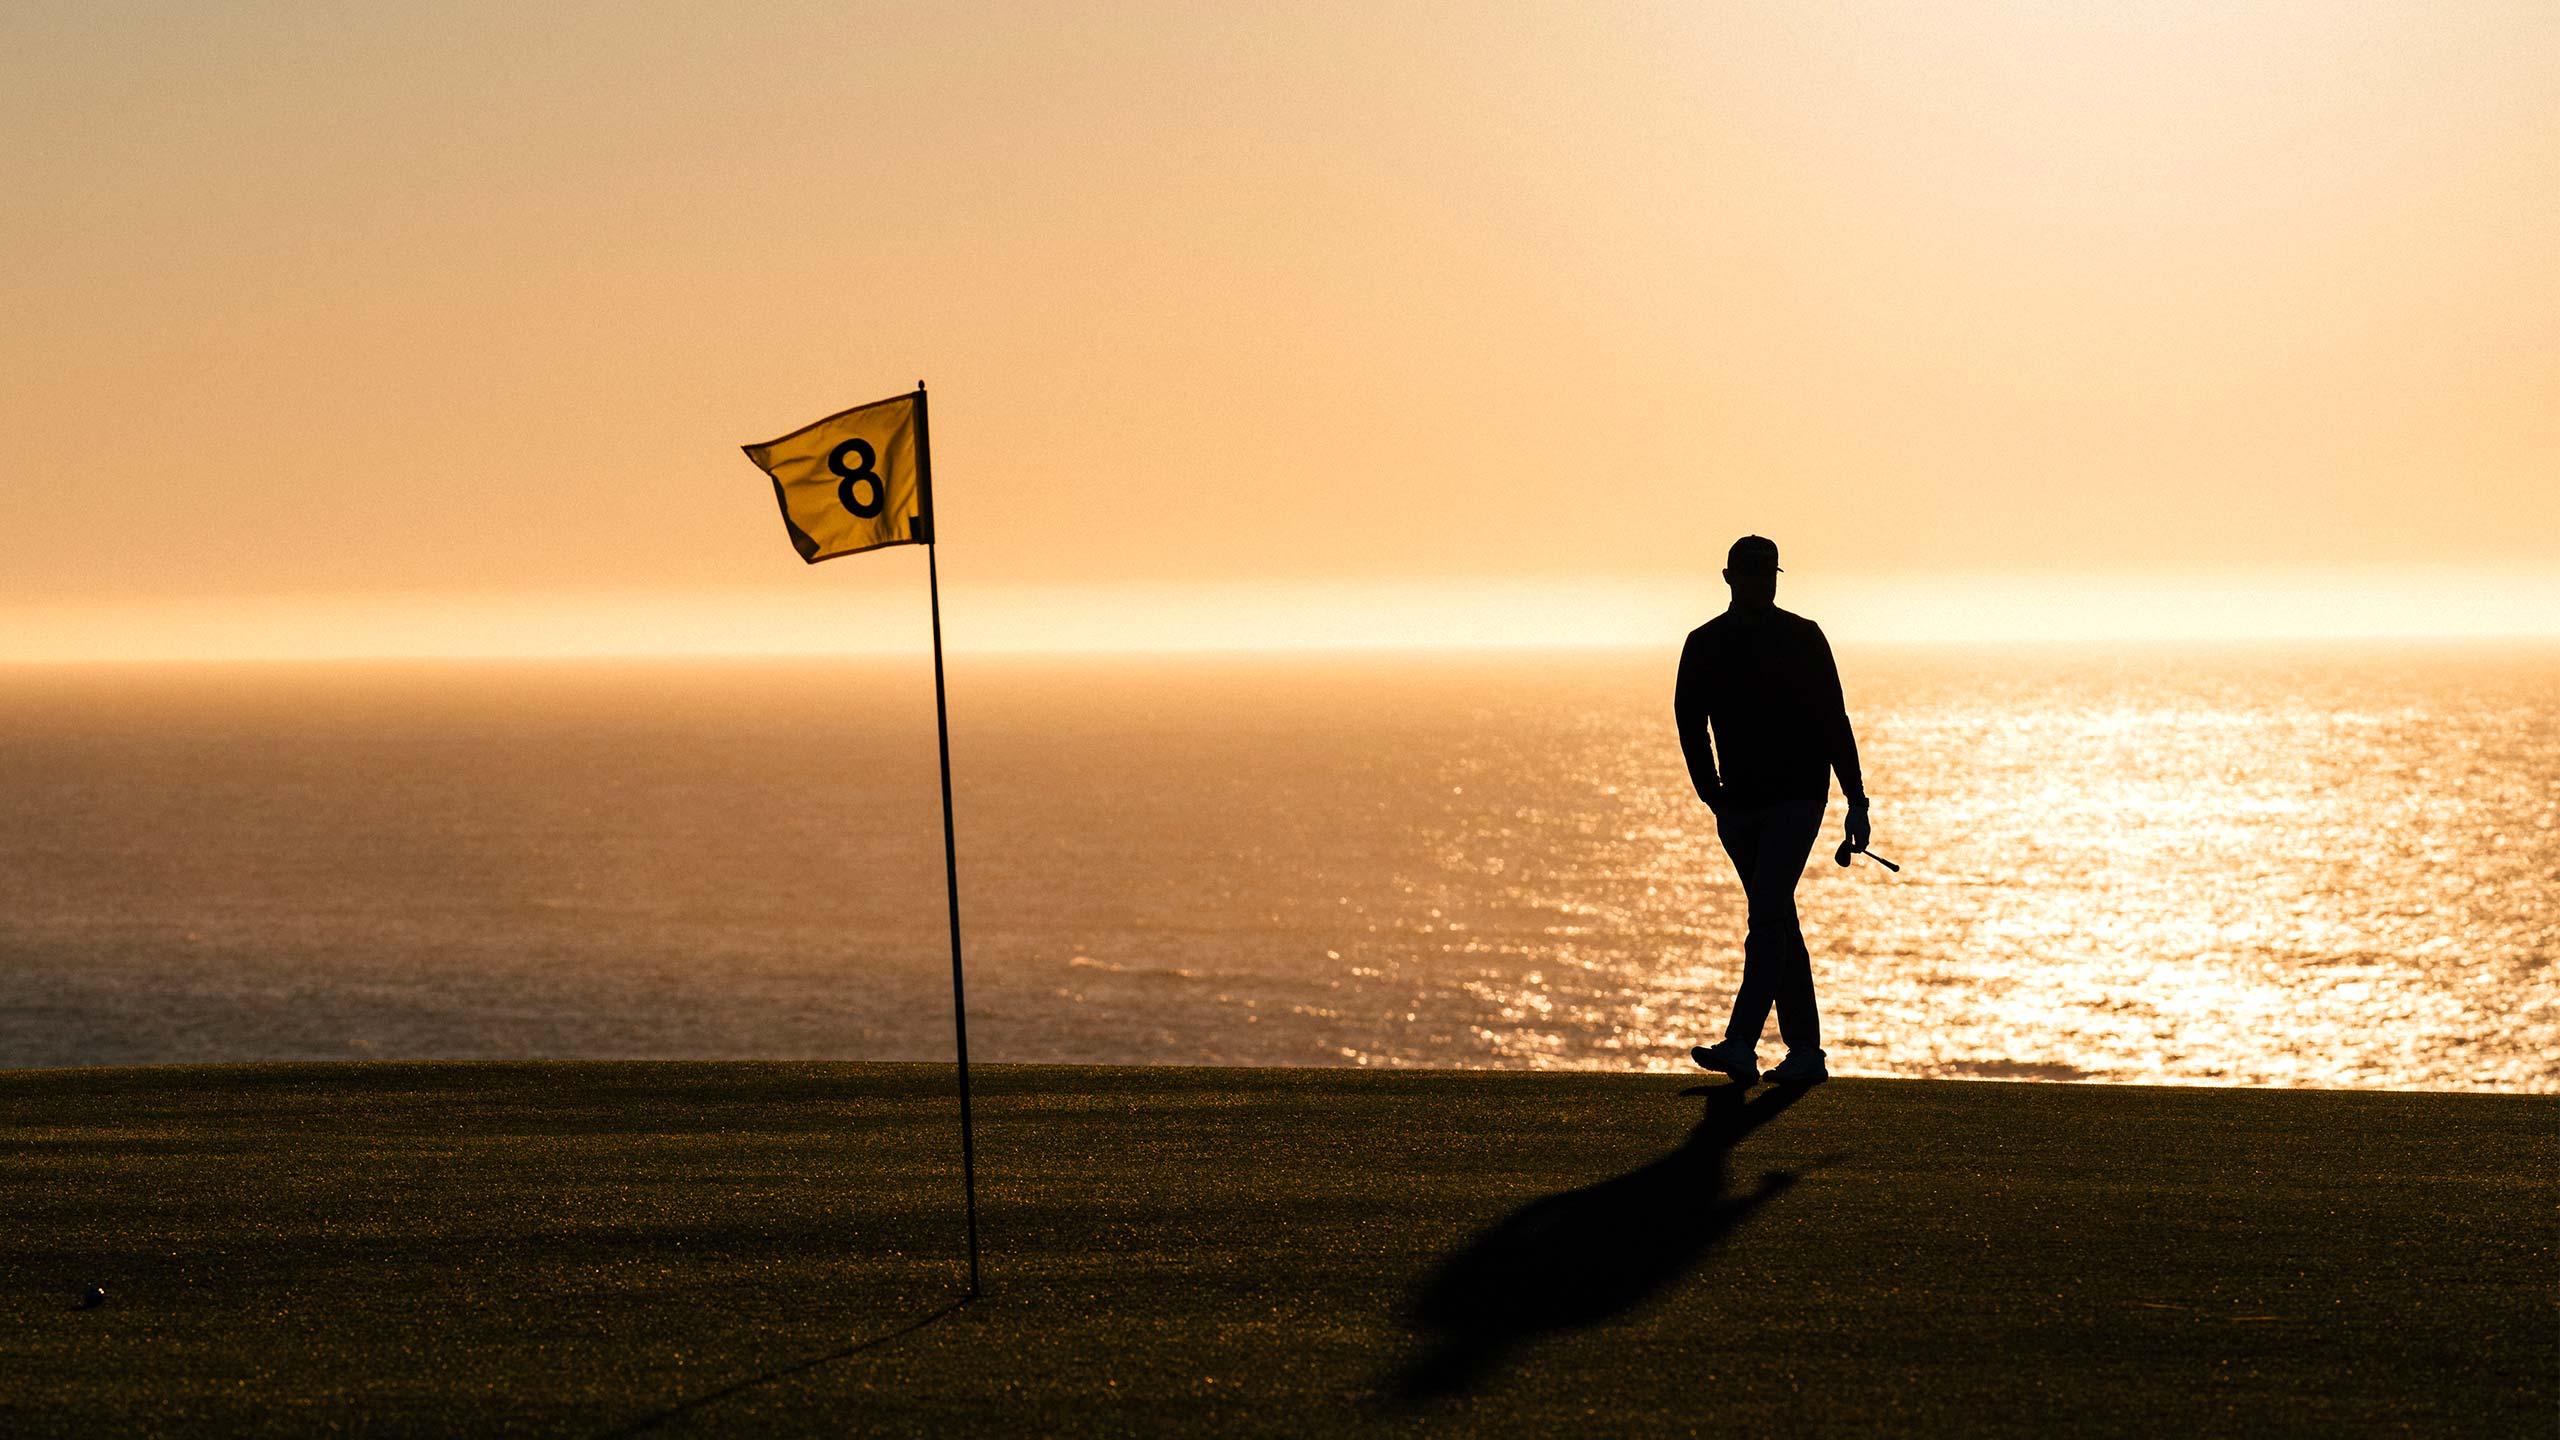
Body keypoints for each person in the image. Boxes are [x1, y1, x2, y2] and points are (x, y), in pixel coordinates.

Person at [1674, 535, 1869, 1086]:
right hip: (1738, 805)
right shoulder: (1704, 643)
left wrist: (1857, 800)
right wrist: (1711, 791)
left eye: (1768, 575)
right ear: (1729, 577)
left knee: (1766, 912)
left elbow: (1835, 720)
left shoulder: (1804, 638)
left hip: (1797, 798)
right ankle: (1807, 1052)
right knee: (1777, 917)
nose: (1761, 584)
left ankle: (1740, 1043)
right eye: (1752, 575)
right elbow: (1690, 723)